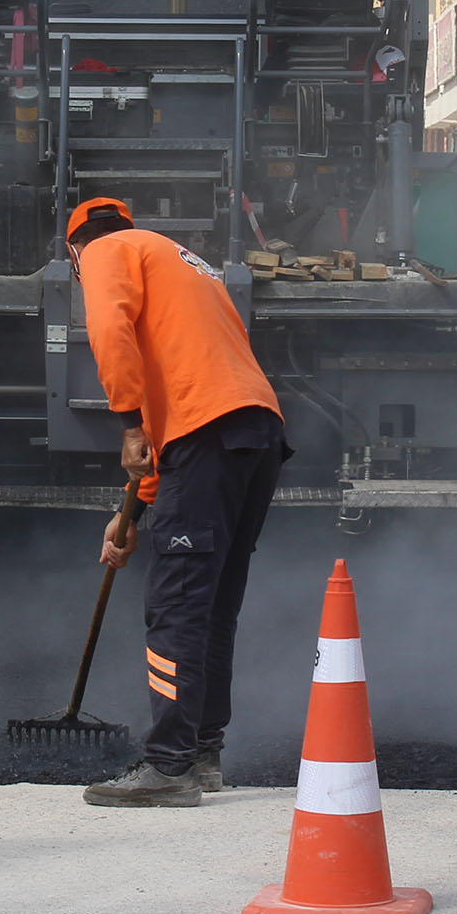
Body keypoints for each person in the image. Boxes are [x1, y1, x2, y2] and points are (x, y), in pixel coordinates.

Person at [70, 197, 289, 807]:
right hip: (255, 431)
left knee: (176, 602)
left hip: (208, 433)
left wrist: (129, 423)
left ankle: (167, 766)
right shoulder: (181, 260)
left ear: (74, 251)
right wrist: (131, 515)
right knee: (212, 601)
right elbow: (179, 429)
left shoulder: (105, 252)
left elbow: (108, 329)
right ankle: (202, 754)